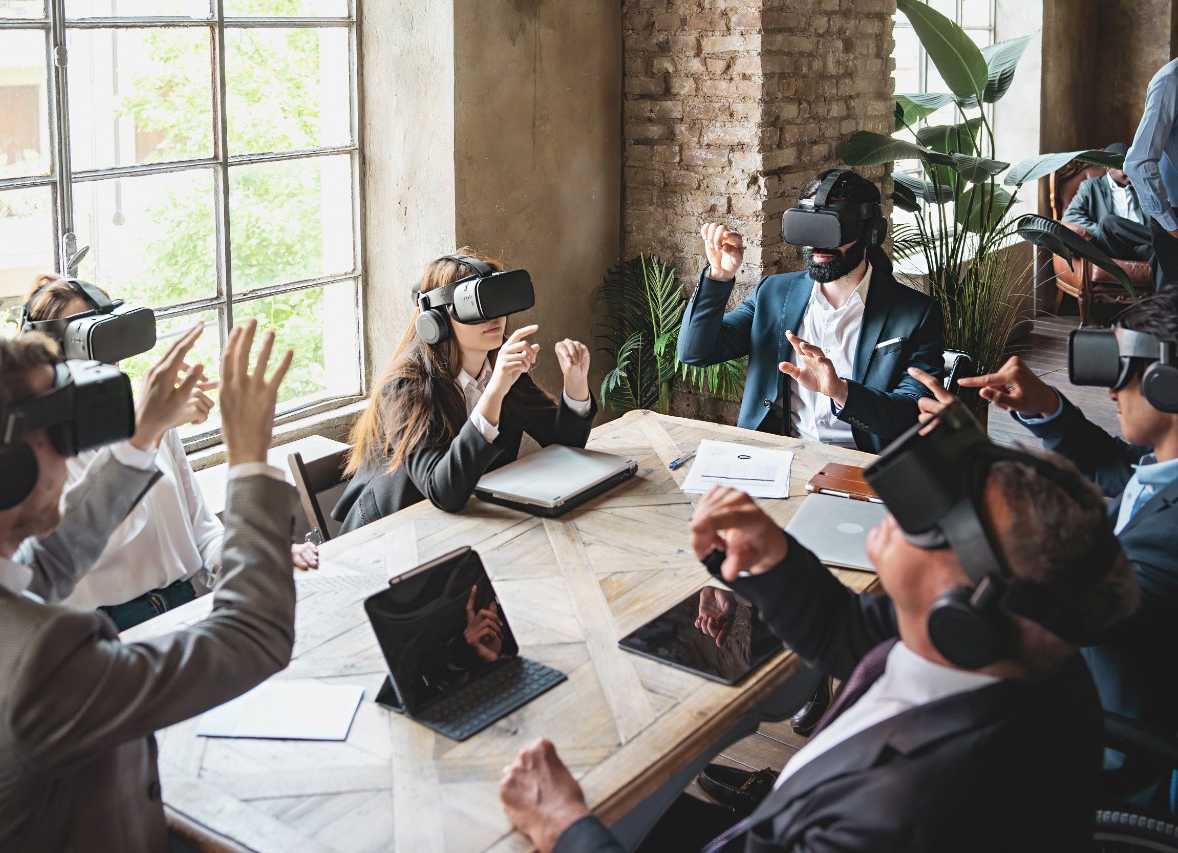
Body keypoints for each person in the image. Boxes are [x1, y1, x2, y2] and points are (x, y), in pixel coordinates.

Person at [498, 417, 1137, 851]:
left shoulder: (891, 819)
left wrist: (566, 827)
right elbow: (848, 633)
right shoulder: (1019, 651)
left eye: (938, 517)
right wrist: (770, 554)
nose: (905, 508)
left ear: (962, 606)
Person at [0, 321, 299, 850]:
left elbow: (43, 566)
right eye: (61, 436)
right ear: (1, 469)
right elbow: (251, 637)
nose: (71, 455)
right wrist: (248, 458)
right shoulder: (35, 660)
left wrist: (141, 438)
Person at [923, 288, 1178, 806]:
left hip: (1102, 746)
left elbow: (1062, 600)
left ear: (1166, 383)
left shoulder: (1166, 542)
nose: (1109, 392)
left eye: (1122, 370)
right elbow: (1117, 474)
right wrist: (1045, 409)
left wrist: (971, 464)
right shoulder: (1158, 467)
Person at [21, 276, 315, 630]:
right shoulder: (39, 451)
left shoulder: (150, 415)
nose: (109, 357)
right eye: (89, 340)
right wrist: (149, 433)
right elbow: (78, 547)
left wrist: (251, 556)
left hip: (186, 607)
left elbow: (203, 530)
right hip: (109, 630)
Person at [677, 169, 945, 455]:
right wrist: (718, 275)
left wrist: (841, 392)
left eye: (835, 228)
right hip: (777, 455)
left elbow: (914, 411)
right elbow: (696, 352)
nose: (820, 244)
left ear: (870, 232)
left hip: (861, 463)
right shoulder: (774, 293)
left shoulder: (916, 313)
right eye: (810, 227)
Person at [333, 251, 596, 533]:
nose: (493, 316)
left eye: (496, 300)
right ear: (436, 319)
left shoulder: (498, 365)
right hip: (391, 538)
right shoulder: (405, 386)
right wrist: (494, 392)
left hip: (468, 526)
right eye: (473, 305)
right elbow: (442, 490)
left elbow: (564, 444)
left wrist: (575, 383)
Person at [1125, 58, 1178, 291]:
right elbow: (1138, 162)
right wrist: (1171, 225)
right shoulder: (1170, 80)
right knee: (1170, 316)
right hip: (1174, 218)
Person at [1063, 142, 1152, 262]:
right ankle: (1161, 239)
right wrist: (1099, 230)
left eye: (1131, 165)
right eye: (1123, 166)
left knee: (1159, 252)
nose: (1129, 171)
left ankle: (1161, 242)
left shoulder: (1141, 186)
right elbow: (1070, 217)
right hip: (1112, 246)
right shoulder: (1091, 186)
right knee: (1108, 221)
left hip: (1140, 245)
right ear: (1108, 167)